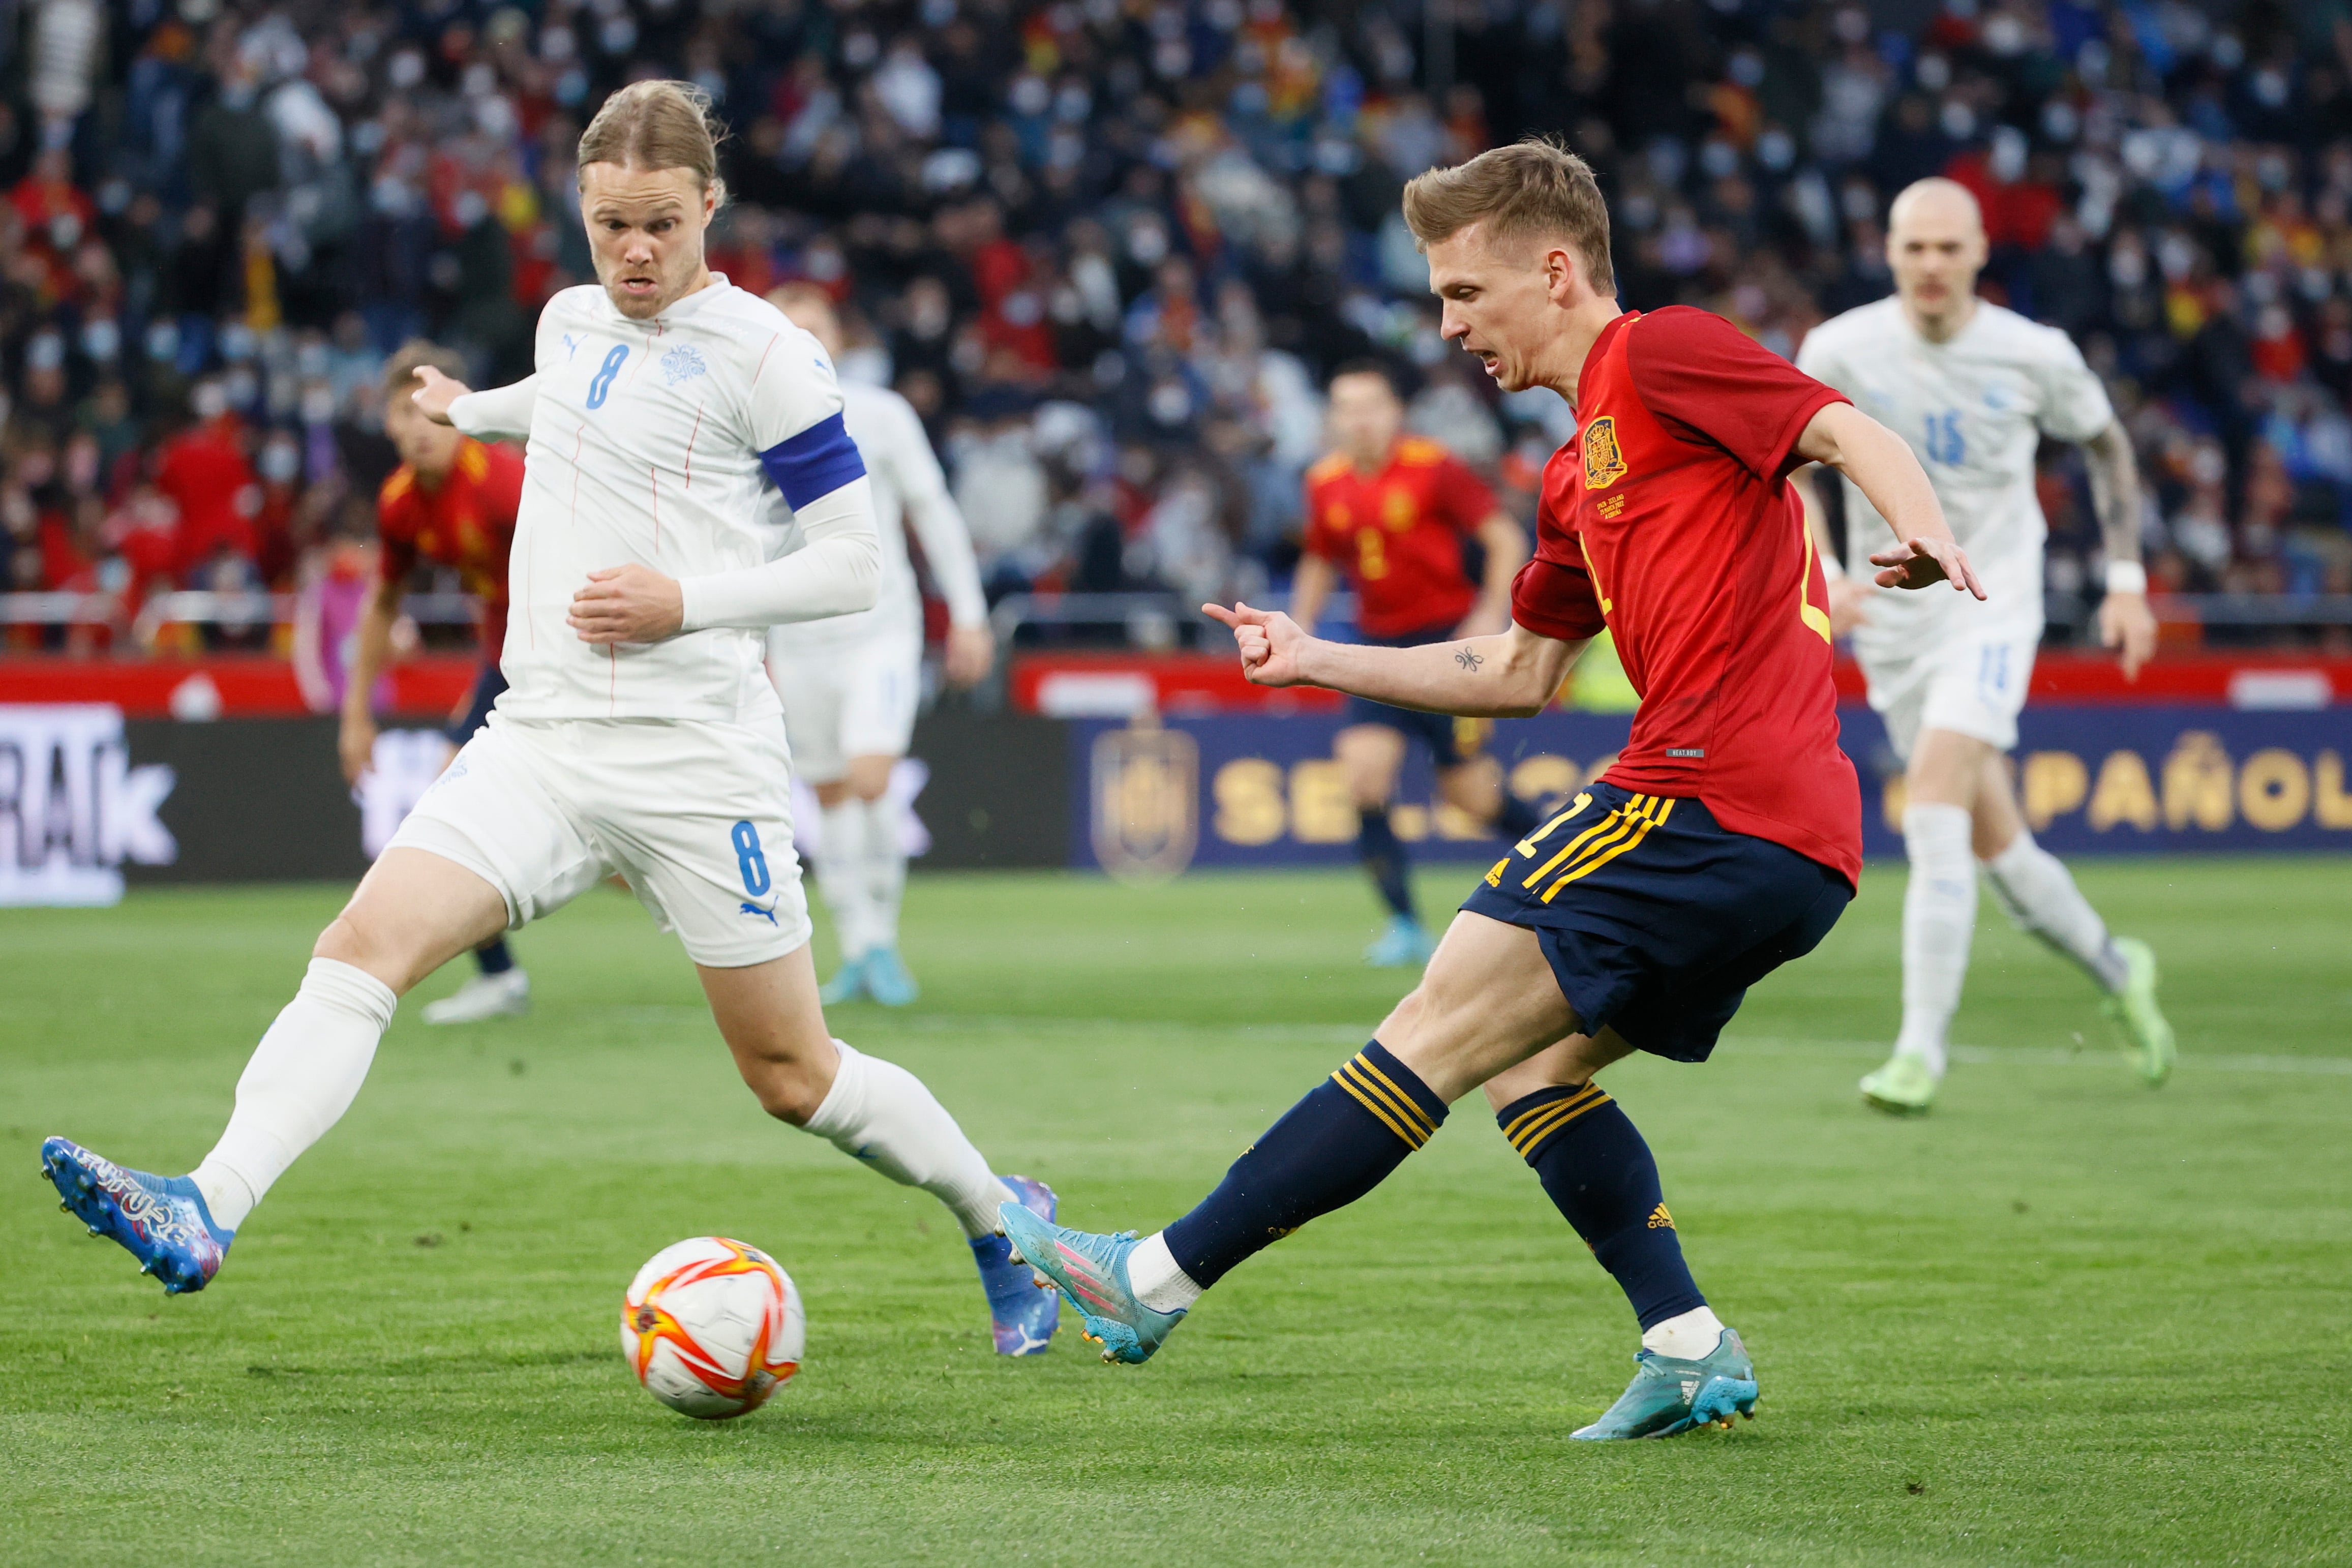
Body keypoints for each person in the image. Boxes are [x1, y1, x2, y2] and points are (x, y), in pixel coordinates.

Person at [40, 81, 1061, 1360]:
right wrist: (470, 409)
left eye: (660, 225)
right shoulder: (572, 319)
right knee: (360, 948)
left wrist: (685, 601)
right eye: (609, 224)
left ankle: (1000, 1217)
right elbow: (574, 389)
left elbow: (853, 562)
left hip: (697, 761)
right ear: (581, 211)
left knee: (790, 1075)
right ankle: (209, 1203)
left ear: (710, 208)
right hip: (543, 739)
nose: (633, 252)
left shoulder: (769, 357)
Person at [997, 139, 1982, 1437]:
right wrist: (1313, 656)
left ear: (1556, 272)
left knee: (1431, 1027)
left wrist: (1919, 528)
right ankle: (1685, 1343)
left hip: (1700, 798)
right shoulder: (1573, 475)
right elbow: (1517, 671)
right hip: (1795, 848)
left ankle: (1152, 1280)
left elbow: (1843, 428)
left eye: (1465, 292)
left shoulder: (1661, 352)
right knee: (1526, 1072)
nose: (1449, 325)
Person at [1794, 178, 2174, 1117]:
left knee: (1930, 801)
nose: (1931, 264)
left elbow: (2107, 446)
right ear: (1888, 251)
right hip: (1895, 622)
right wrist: (1828, 568)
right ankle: (2116, 967)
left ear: (1978, 253)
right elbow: (1793, 466)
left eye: (1948, 247)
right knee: (1998, 846)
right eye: (1914, 247)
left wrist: (2126, 581)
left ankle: (1918, 1051)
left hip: (1992, 604)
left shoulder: (2033, 352)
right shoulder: (1837, 347)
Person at [760, 283, 993, 1007]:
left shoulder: (882, 415)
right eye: (786, 330)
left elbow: (934, 512)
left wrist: (970, 615)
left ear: (837, 339)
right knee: (829, 792)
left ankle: (883, 942)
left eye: (814, 328)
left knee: (869, 778)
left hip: (878, 631)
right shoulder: (745, 423)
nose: (801, 342)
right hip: (796, 639)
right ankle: (858, 948)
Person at [1290, 360, 1539, 967]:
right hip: (1376, 649)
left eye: (1371, 406)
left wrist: (1489, 615)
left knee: (1471, 799)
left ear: (1395, 412)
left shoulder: (1434, 467)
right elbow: (1320, 559)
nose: (1361, 420)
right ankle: (1404, 925)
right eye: (1348, 408)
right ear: (1334, 419)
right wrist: (1296, 630)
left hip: (1446, 646)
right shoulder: (1324, 481)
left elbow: (1506, 538)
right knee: (1363, 780)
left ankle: (1578, 872)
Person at [339, 339, 533, 1025]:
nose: (420, 426)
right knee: (453, 806)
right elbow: (382, 604)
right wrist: (355, 715)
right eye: (404, 412)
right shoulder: (400, 505)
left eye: (431, 410)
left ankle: (502, 976)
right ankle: (500, 976)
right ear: (388, 424)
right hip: (506, 661)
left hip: (559, 656)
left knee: (456, 804)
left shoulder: (502, 483)